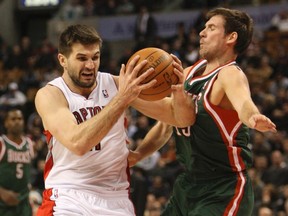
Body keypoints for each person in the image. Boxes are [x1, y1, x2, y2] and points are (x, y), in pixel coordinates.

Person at [129, 7, 277, 216]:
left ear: (231, 37)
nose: (201, 32)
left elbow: (244, 102)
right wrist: (138, 155)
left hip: (222, 188)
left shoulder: (229, 74)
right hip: (188, 185)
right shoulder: (189, 73)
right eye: (204, 27)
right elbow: (165, 125)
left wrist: (253, 117)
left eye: (211, 27)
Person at [34, 24, 182, 215]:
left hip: (116, 198)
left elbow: (173, 116)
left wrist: (179, 90)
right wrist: (121, 99)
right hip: (68, 196)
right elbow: (78, 142)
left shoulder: (116, 84)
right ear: (62, 60)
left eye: (95, 57)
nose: (90, 65)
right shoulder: (51, 94)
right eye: (81, 58)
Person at [0, 109, 34, 216]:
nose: (17, 121)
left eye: (20, 119)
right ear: (6, 123)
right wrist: (2, 192)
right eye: (13, 119)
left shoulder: (29, 143)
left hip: (23, 201)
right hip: (2, 201)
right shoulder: (2, 143)